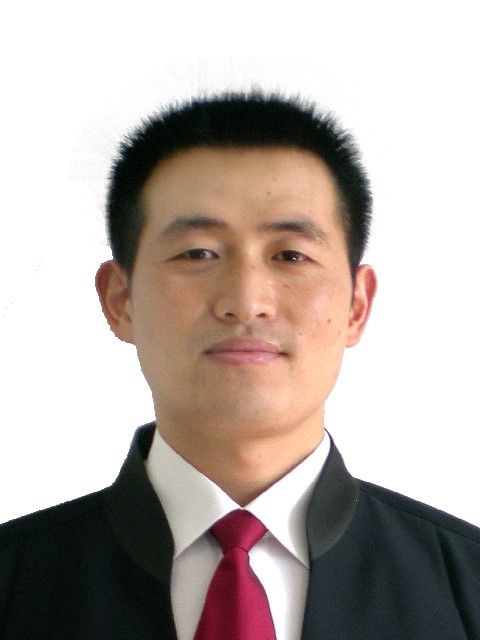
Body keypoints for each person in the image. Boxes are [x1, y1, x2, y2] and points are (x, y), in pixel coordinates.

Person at [1, 89, 479, 640]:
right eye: (197, 253)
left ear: (356, 305)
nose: (247, 301)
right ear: (120, 299)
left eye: (291, 255)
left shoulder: (466, 588)